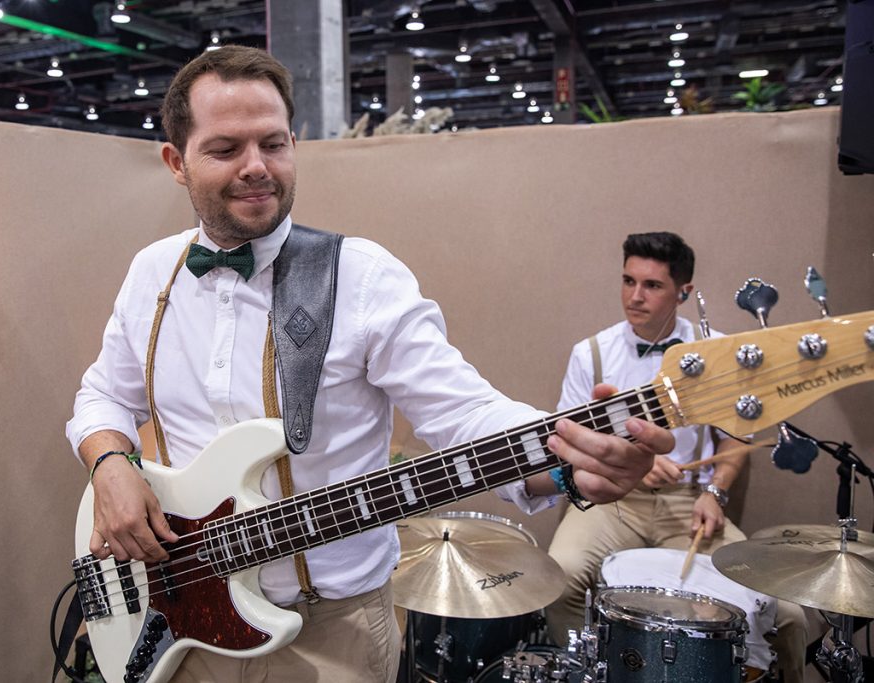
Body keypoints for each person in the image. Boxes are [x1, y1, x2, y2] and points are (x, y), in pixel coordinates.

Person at [65, 46, 672, 683]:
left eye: (273, 144)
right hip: (174, 617)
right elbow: (103, 395)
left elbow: (466, 413)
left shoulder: (361, 278)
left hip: (332, 635)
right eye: (225, 149)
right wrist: (110, 465)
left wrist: (571, 459)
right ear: (176, 162)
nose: (257, 166)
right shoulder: (152, 273)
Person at [545, 231, 808, 683]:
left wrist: (714, 493)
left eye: (652, 285)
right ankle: (590, 673)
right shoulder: (590, 354)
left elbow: (736, 440)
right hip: (612, 502)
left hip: (689, 501)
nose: (635, 296)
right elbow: (568, 442)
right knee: (560, 577)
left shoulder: (716, 352)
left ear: (684, 292)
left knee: (787, 615)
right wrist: (626, 465)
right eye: (628, 281)